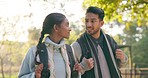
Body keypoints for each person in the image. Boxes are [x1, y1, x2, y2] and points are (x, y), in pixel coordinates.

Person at [71, 6, 128, 78]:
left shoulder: (110, 41)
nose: (88, 25)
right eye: (86, 21)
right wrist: (83, 67)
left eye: (93, 21)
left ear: (101, 23)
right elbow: (70, 73)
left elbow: (120, 64)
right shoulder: (77, 46)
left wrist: (123, 58)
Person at [18, 13, 78, 78]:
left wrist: (77, 72)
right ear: (56, 28)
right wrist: (35, 76)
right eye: (67, 25)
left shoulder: (69, 50)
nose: (70, 29)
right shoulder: (34, 51)